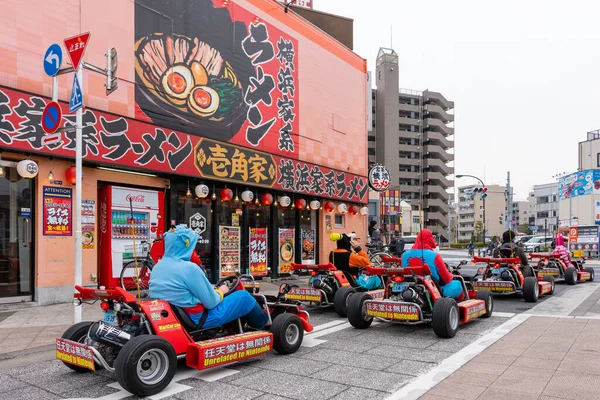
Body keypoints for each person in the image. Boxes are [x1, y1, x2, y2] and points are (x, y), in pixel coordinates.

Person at [149, 225, 268, 329]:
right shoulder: (189, 268)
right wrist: (221, 291)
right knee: (244, 297)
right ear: (186, 246)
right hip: (198, 318)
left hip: (172, 316)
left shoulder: (158, 267)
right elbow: (211, 302)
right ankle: (263, 323)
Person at [401, 229, 463, 300]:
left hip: (409, 286)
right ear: (429, 239)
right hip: (432, 289)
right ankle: (457, 307)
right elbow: (446, 279)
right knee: (457, 283)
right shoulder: (434, 256)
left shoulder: (404, 255)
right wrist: (451, 274)